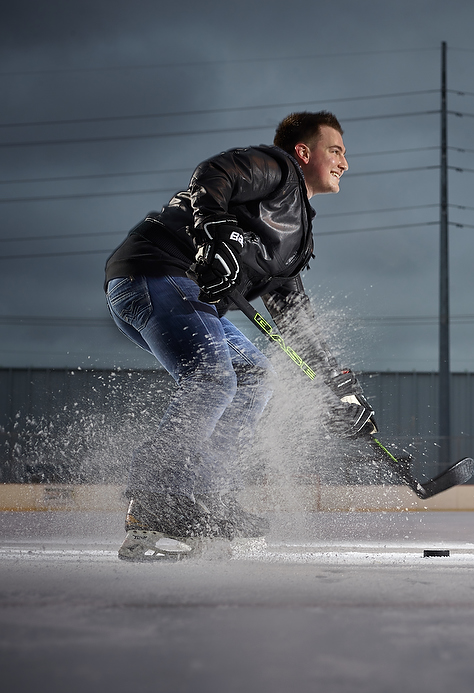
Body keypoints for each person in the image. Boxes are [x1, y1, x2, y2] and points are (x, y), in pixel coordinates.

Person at [105, 111, 376, 560]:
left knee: (254, 376)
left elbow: (293, 316)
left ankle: (203, 497)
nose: (345, 161)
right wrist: (217, 227)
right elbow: (213, 174)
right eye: (336, 150)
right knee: (214, 377)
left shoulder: (295, 240)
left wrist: (339, 389)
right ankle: (155, 501)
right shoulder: (276, 168)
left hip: (174, 293)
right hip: (157, 273)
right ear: (304, 152)